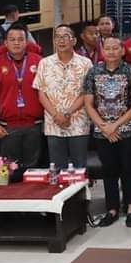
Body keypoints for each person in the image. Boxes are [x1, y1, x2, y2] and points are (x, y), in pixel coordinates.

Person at [83, 35, 131, 227]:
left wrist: (115, 126)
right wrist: (104, 126)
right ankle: (112, 208)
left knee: (129, 169)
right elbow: (88, 104)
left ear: (122, 50)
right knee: (109, 170)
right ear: (102, 50)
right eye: (107, 48)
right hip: (102, 132)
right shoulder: (93, 71)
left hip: (127, 130)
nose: (111, 52)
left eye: (115, 48)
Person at [0, 23, 44, 175]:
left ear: (26, 42)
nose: (16, 43)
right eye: (12, 39)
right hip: (7, 128)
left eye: (20, 39)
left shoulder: (40, 62)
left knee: (34, 173)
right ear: (5, 42)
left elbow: (48, 92)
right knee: (9, 172)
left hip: (35, 126)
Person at [34, 25, 93, 170]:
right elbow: (41, 93)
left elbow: (87, 93)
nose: (61, 40)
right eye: (58, 37)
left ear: (74, 41)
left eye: (65, 36)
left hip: (78, 123)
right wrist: (56, 115)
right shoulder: (45, 63)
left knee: (79, 168)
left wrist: (67, 113)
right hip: (53, 124)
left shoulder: (86, 63)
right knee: (57, 168)